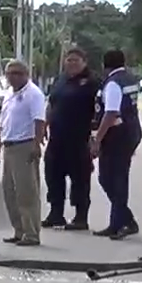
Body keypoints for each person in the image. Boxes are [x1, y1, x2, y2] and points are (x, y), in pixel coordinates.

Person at [0, 59, 47, 246]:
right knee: (9, 192)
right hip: (9, 145)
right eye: (9, 73)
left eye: (16, 73)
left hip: (25, 145)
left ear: (26, 74)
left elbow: (39, 121)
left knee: (26, 192)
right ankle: (19, 230)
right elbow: (4, 121)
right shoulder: (8, 94)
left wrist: (36, 144)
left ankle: (31, 233)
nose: (12, 77)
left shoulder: (33, 94)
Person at [43, 48, 99, 230]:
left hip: (79, 139)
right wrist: (45, 124)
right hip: (57, 138)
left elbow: (99, 111)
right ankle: (55, 214)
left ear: (84, 62)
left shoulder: (92, 82)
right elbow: (51, 104)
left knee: (80, 180)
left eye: (76, 60)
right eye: (69, 60)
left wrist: (95, 137)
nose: (72, 64)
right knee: (53, 176)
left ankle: (80, 217)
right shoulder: (60, 80)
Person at [92, 49, 142, 239]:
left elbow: (111, 113)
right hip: (130, 132)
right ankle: (121, 221)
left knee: (112, 179)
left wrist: (97, 139)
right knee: (114, 179)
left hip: (117, 135)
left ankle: (123, 223)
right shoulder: (129, 79)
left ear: (104, 65)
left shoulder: (113, 84)